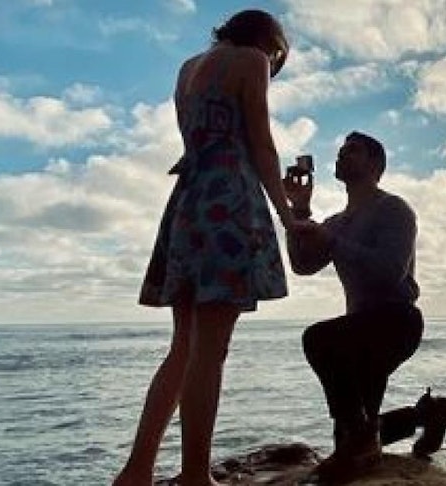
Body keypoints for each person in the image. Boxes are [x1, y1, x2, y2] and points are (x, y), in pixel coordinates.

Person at [114, 10, 295, 486]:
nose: (274, 61)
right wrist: (287, 213)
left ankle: (136, 471)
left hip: (189, 201)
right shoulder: (252, 60)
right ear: (268, 40)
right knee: (210, 349)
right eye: (278, 53)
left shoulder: (187, 68)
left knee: (183, 348)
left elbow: (196, 140)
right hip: (227, 200)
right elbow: (261, 143)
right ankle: (195, 475)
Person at [285, 131, 446, 481]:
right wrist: (299, 209)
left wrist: (332, 241)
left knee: (318, 339)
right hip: (357, 331)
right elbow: (302, 265)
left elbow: (389, 271)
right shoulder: (336, 222)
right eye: (340, 150)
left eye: (353, 150)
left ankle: (366, 439)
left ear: (376, 165)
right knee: (349, 439)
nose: (342, 154)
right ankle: (428, 415)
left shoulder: (394, 209)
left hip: (396, 322)